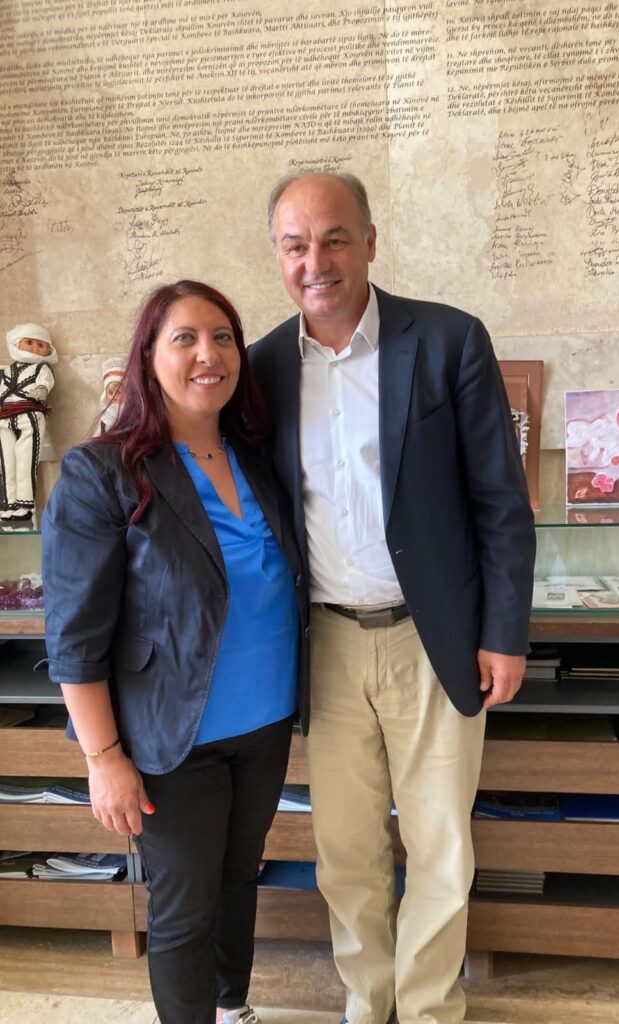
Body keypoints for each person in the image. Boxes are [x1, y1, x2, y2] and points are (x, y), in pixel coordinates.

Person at [250, 172, 535, 1024]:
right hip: (326, 645)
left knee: (440, 844)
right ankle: (367, 1002)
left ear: (370, 241)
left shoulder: (449, 340)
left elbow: (500, 501)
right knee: (346, 851)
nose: (316, 262)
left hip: (434, 635)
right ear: (277, 257)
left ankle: (428, 1007)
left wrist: (505, 632)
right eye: (296, 245)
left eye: (335, 239)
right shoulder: (261, 367)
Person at [42, 280, 309, 1024]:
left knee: (237, 878)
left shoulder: (257, 456)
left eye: (222, 337)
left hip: (264, 725)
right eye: (184, 338)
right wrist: (104, 760)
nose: (207, 354)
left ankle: (232, 1006)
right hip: (170, 739)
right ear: (148, 358)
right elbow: (74, 639)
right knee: (185, 905)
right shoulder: (103, 472)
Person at [0, 322, 57, 521]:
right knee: (6, 461)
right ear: (17, 343)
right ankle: (9, 503)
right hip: (4, 418)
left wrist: (41, 390)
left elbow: (45, 383)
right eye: (30, 342)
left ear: (48, 350)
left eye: (41, 345)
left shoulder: (42, 368)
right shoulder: (8, 370)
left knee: (26, 458)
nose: (35, 348)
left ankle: (25, 504)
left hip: (29, 414)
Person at [98, 355, 126, 433]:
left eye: (118, 392)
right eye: (110, 393)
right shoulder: (107, 413)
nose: (114, 396)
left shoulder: (130, 411)